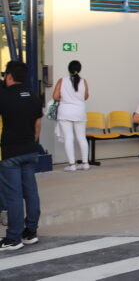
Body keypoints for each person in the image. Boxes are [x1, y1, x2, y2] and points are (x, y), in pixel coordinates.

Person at [0, 60, 42, 250]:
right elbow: (37, 124)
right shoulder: (33, 95)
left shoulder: (3, 95)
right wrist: (32, 142)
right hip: (30, 150)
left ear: (9, 76)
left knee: (13, 196)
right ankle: (30, 232)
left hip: (10, 152)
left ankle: (13, 238)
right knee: (31, 191)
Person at [52, 60, 90, 171]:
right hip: (79, 112)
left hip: (65, 112)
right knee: (81, 138)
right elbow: (86, 97)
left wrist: (65, 99)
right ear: (79, 69)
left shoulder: (62, 80)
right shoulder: (83, 81)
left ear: (68, 69)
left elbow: (55, 96)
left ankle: (72, 165)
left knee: (69, 137)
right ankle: (85, 163)